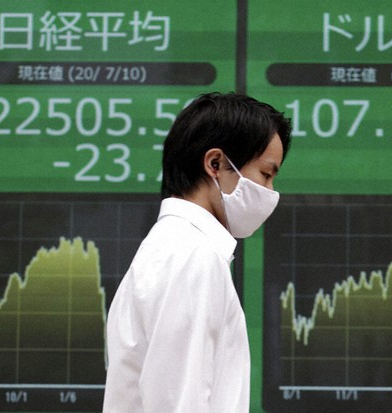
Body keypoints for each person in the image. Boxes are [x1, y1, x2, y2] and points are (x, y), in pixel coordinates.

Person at [103, 92, 292, 412]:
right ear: (215, 164)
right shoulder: (191, 257)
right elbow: (180, 402)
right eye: (265, 174)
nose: (270, 192)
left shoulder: (177, 248)